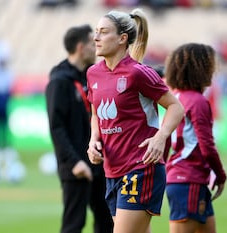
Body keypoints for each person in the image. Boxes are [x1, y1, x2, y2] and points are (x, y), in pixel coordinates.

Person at [86, 8, 184, 233]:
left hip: (140, 167)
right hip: (112, 170)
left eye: (103, 32)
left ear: (122, 39)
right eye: (96, 31)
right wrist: (93, 141)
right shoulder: (93, 73)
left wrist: (160, 138)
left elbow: (176, 107)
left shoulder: (138, 73)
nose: (96, 37)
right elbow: (95, 113)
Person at [45, 24, 113, 233]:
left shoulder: (90, 77)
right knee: (74, 224)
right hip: (75, 166)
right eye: (93, 43)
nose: (97, 47)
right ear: (81, 47)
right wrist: (73, 162)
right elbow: (56, 127)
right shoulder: (59, 82)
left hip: (97, 162)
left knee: (107, 221)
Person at [164, 43, 227, 233]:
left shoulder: (176, 97)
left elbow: (165, 138)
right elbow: (207, 145)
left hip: (187, 179)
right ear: (199, 69)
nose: (213, 71)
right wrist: (221, 175)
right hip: (188, 180)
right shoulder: (198, 101)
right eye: (210, 66)